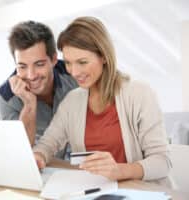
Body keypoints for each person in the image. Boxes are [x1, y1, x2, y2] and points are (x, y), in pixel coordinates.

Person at [33, 16, 173, 187]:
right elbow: (48, 143)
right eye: (68, 63)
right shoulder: (72, 100)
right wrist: (39, 156)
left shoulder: (139, 94)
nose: (74, 72)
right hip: (94, 191)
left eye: (82, 62)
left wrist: (119, 170)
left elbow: (162, 162)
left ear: (104, 57)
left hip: (141, 191)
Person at [0, 21, 77, 151]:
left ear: (54, 59)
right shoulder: (5, 98)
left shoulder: (74, 75)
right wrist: (29, 104)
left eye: (39, 64)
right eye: (22, 66)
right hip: (44, 165)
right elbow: (20, 150)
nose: (31, 75)